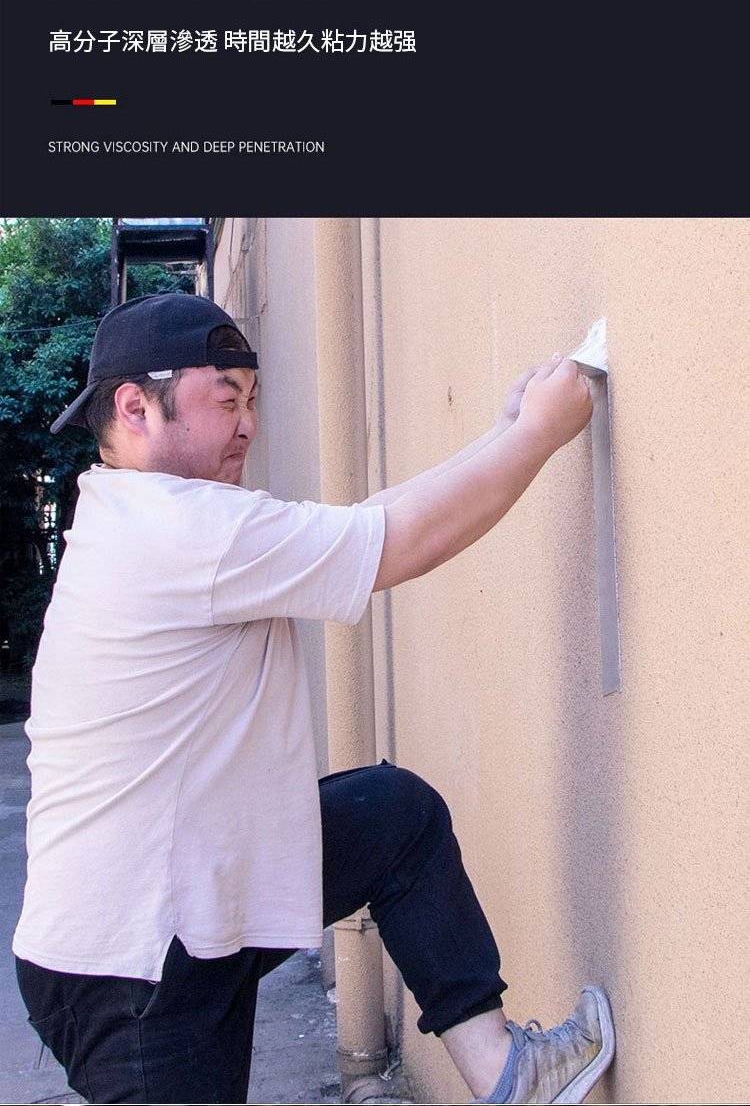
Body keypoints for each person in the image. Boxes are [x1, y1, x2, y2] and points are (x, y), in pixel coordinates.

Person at [13, 292, 615, 1105]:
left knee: (393, 818)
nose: (248, 424)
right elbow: (399, 541)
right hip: (134, 962)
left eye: (252, 401)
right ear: (135, 407)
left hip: (188, 904)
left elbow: (361, 525)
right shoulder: (179, 529)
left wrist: (506, 433)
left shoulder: (149, 516)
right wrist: (540, 434)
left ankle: (507, 1072)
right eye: (226, 399)